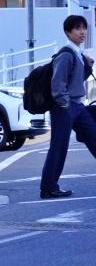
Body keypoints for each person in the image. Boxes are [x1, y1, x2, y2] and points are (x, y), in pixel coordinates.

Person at [39, 15, 96, 199]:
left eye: (84, 28)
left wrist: (88, 66)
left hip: (78, 106)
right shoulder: (65, 55)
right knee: (59, 147)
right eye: (77, 28)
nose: (82, 32)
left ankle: (50, 186)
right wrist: (65, 105)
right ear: (68, 32)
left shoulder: (77, 53)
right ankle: (48, 187)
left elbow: (75, 81)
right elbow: (58, 84)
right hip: (64, 107)